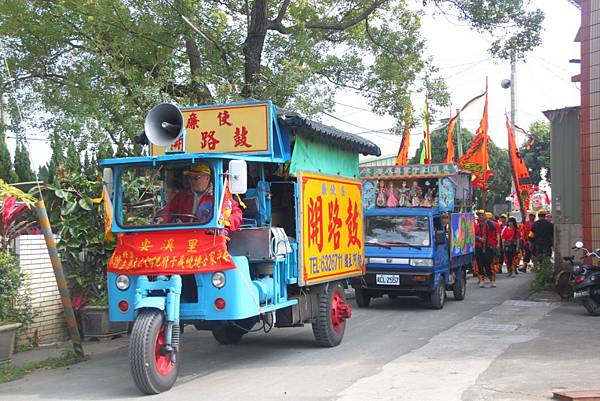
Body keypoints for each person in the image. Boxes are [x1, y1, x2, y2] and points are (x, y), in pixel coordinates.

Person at [159, 163, 242, 231]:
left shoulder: (219, 196)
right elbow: (168, 211)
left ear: (207, 178)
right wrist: (161, 219)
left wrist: (225, 223)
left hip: (208, 237)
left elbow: (236, 213)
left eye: (196, 178)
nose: (192, 181)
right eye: (190, 178)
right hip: (183, 236)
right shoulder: (182, 195)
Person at [475, 210, 497, 288]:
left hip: (488, 247)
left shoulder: (490, 224)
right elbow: (473, 235)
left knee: (488, 264)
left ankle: (492, 280)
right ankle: (481, 280)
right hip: (479, 247)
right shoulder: (476, 226)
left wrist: (487, 220)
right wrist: (479, 239)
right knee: (480, 265)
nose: (481, 217)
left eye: (482, 215)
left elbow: (493, 228)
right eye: (479, 215)